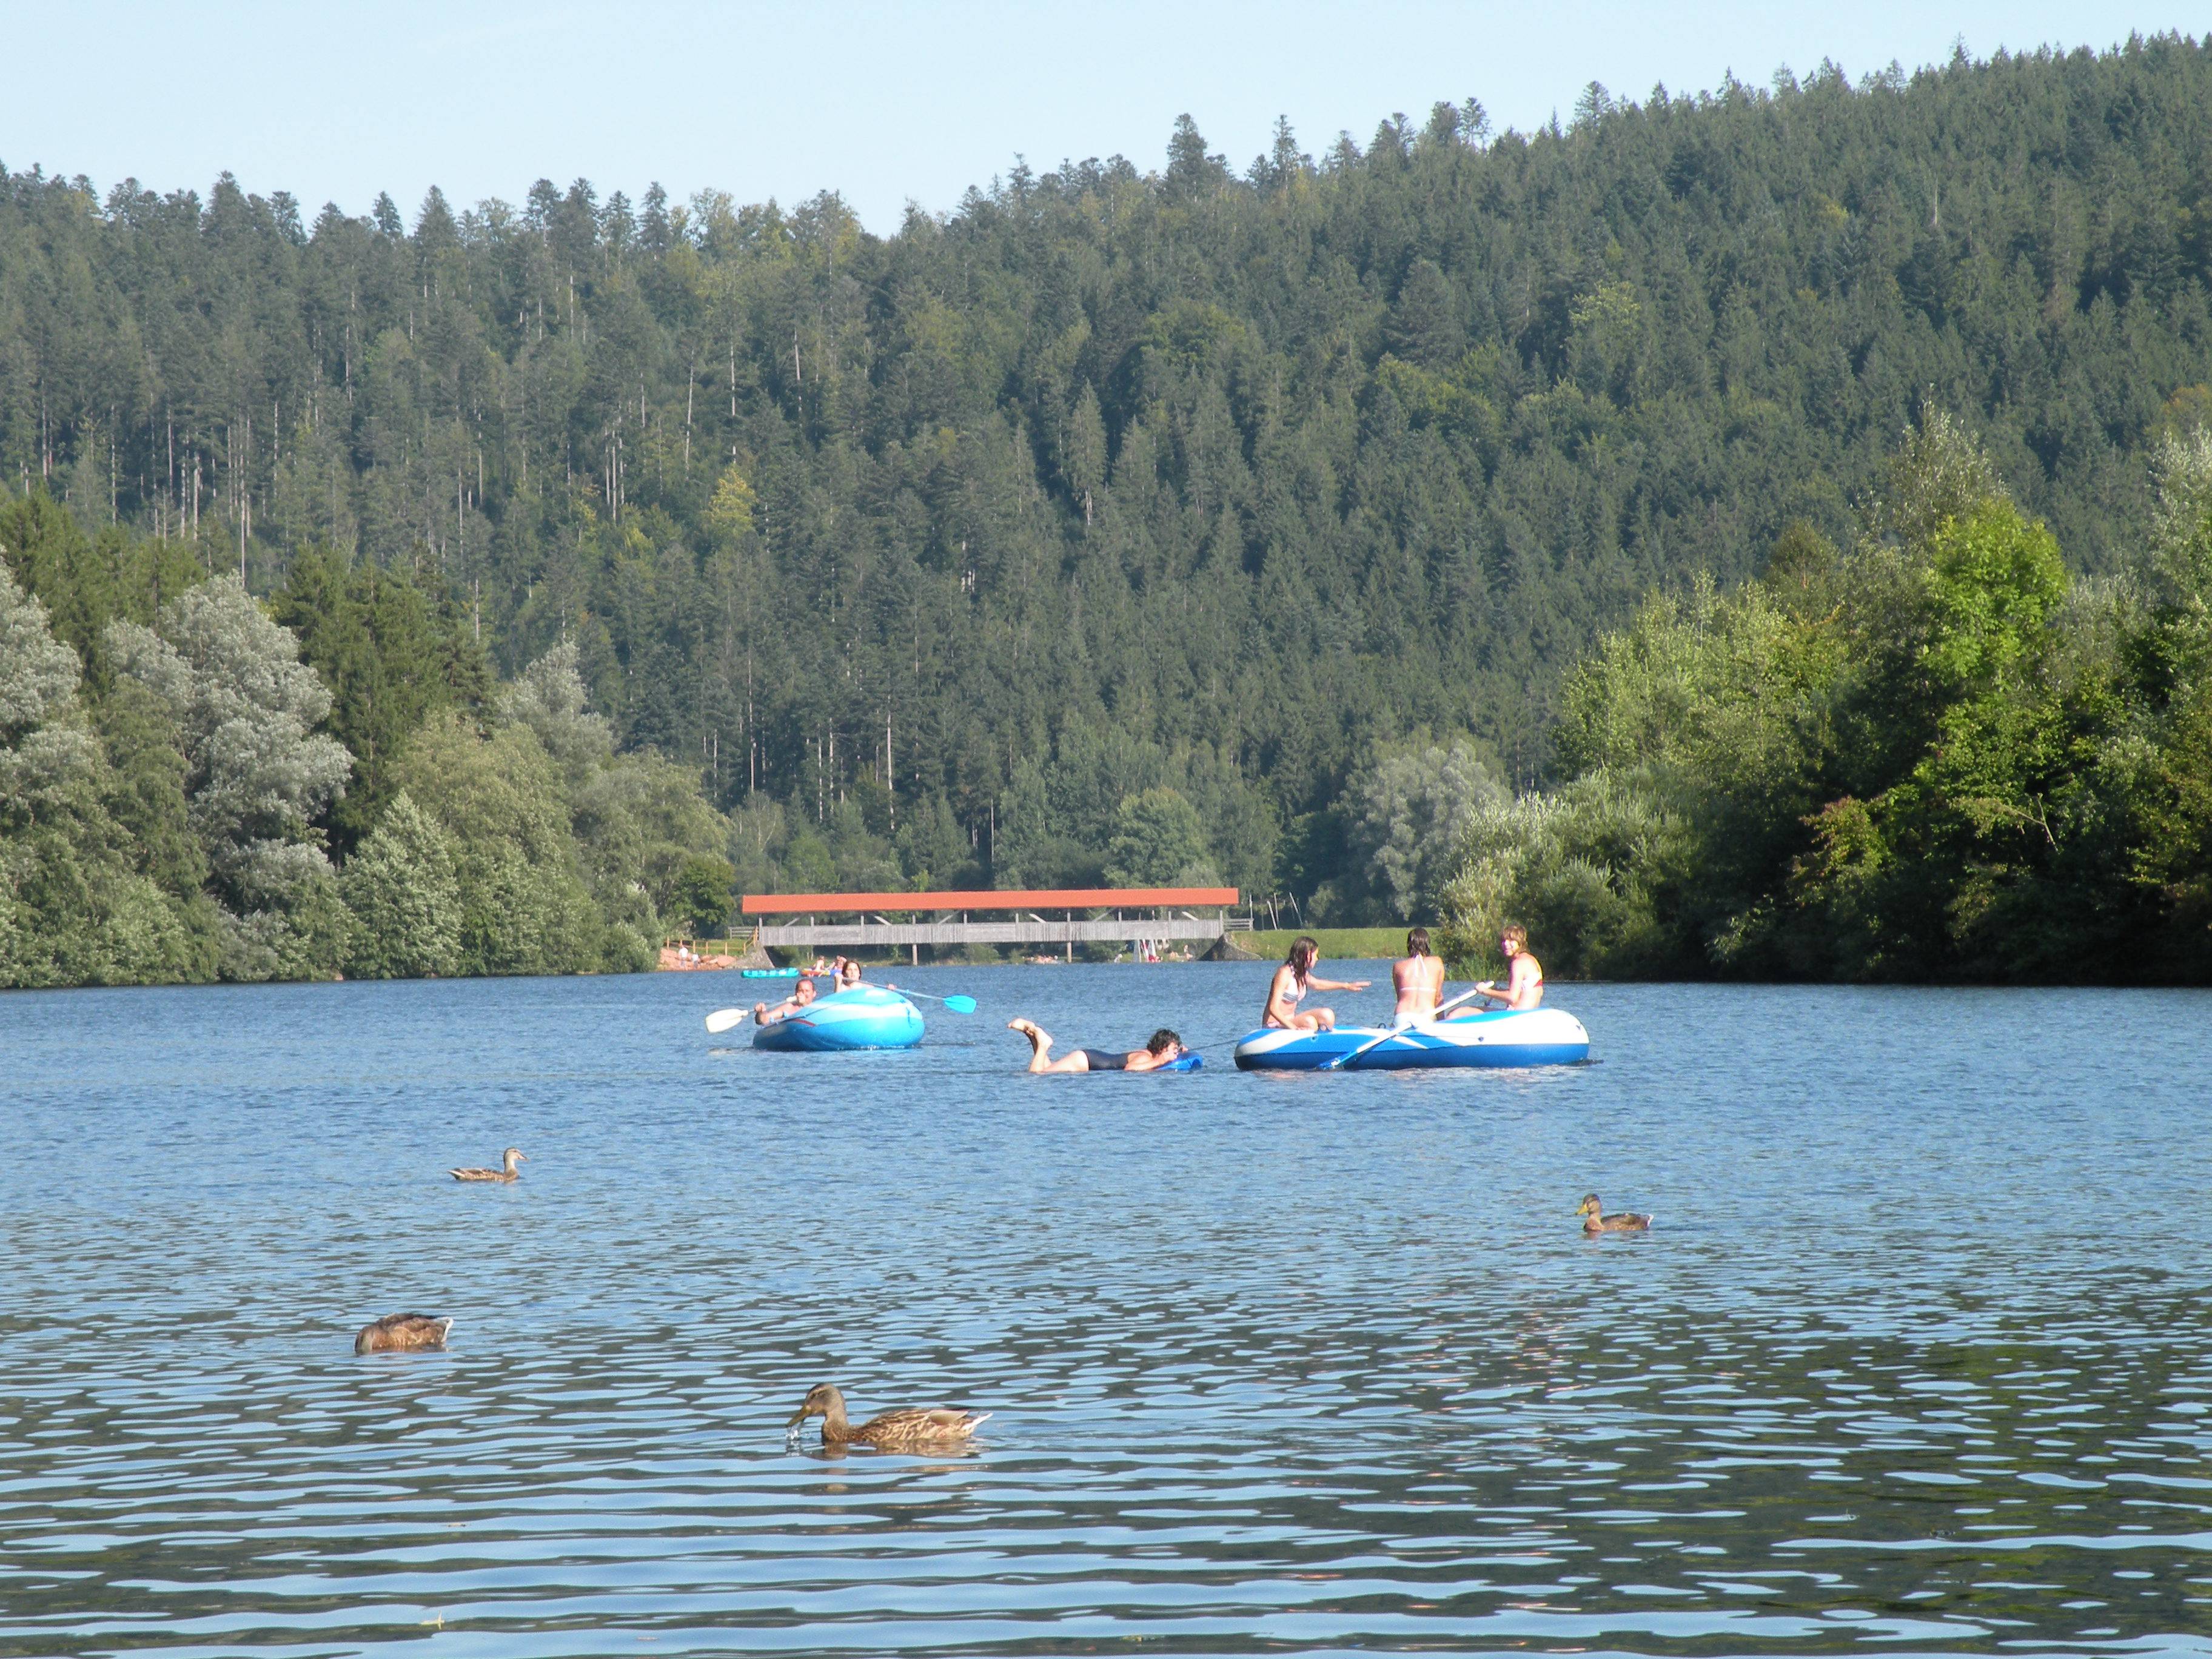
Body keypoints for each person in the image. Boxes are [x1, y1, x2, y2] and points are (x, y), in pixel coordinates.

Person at [1262, 936, 1369, 1031]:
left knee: (1327, 1015)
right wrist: (1294, 1028)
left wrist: (1347, 986)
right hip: (1274, 1026)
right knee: (1309, 1022)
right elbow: (1273, 1008)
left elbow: (1317, 984)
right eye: (1316, 955)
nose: (1317, 959)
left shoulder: (1301, 974)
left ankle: (1323, 1045)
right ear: (1307, 955)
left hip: (1291, 1021)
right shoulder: (1284, 973)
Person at [1007, 1020, 1186, 1073]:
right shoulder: (1145, 1057)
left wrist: (1182, 1051)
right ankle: (1044, 1044)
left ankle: (1031, 1034)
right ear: (1162, 1049)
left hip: (1087, 1059)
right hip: (1085, 1061)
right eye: (1173, 1050)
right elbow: (1130, 1068)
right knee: (1038, 1074)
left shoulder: (1148, 1055)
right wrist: (1161, 1061)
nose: (1175, 1054)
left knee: (1046, 1068)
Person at [1464, 923, 1544, 1011]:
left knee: (1457, 1013)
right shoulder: (1532, 960)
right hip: (1528, 1013)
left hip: (1516, 1015)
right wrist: (1498, 991)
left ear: (1520, 942)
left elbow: (1512, 998)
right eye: (1504, 940)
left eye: (1511, 940)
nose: (1506, 944)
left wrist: (1484, 991)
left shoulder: (1518, 962)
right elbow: (1526, 992)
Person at [1392, 927, 1446, 1023]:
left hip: (1402, 1016)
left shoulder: (1398, 966)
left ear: (1409, 945)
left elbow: (1400, 997)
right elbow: (1438, 998)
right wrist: (1442, 1022)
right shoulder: (1437, 962)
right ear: (1427, 944)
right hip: (1426, 1016)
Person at [753, 975, 819, 1025]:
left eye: (807, 991)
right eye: (801, 991)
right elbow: (764, 1020)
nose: (804, 994)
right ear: (796, 993)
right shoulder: (789, 1008)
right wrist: (761, 1012)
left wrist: (804, 1005)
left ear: (814, 993)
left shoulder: (818, 1009)